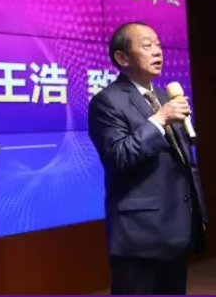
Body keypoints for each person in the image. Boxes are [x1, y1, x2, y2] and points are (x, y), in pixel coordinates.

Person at [88, 22, 207, 295]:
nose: (157, 52)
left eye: (158, 45)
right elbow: (119, 155)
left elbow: (184, 161)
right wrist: (160, 119)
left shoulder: (164, 97)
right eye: (146, 45)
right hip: (139, 234)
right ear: (122, 58)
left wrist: (198, 210)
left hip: (176, 227)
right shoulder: (107, 101)